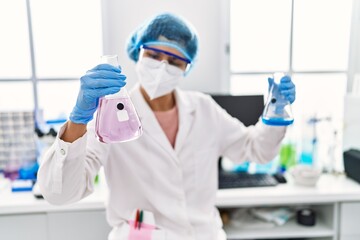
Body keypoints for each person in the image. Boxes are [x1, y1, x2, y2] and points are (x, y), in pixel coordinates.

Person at [38, 13, 296, 240]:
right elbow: (59, 194)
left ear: (187, 67)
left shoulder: (204, 109)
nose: (162, 67)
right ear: (137, 52)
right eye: (154, 55)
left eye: (174, 61)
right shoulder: (111, 115)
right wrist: (79, 119)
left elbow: (255, 150)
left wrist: (275, 112)